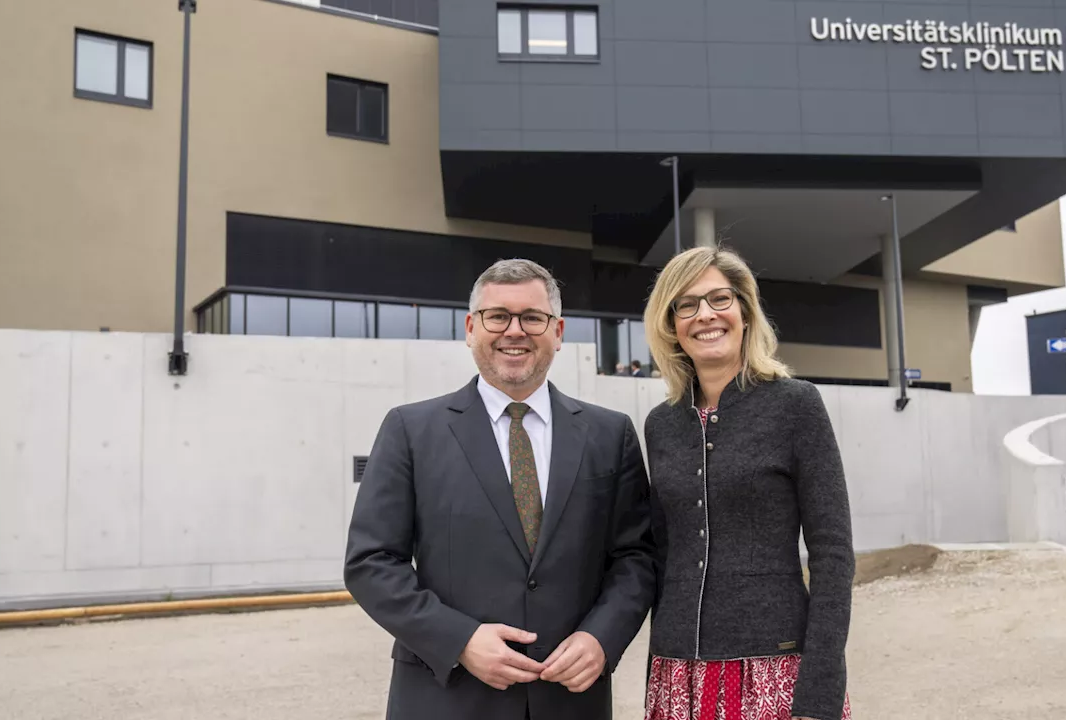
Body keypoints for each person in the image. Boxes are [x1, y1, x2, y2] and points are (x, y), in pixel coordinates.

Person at [345, 258, 656, 720]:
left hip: (570, 700)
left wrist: (601, 638)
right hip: (446, 697)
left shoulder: (610, 435)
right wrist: (459, 640)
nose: (515, 330)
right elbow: (371, 562)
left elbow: (636, 556)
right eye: (498, 317)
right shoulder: (410, 430)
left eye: (533, 317)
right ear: (471, 327)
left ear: (558, 332)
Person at [640, 246, 854, 720]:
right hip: (679, 674)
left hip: (775, 670)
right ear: (670, 323)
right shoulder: (661, 424)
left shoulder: (796, 406)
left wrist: (819, 689)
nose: (705, 316)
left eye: (719, 299)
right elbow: (661, 554)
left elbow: (832, 555)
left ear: (744, 310)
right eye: (687, 304)